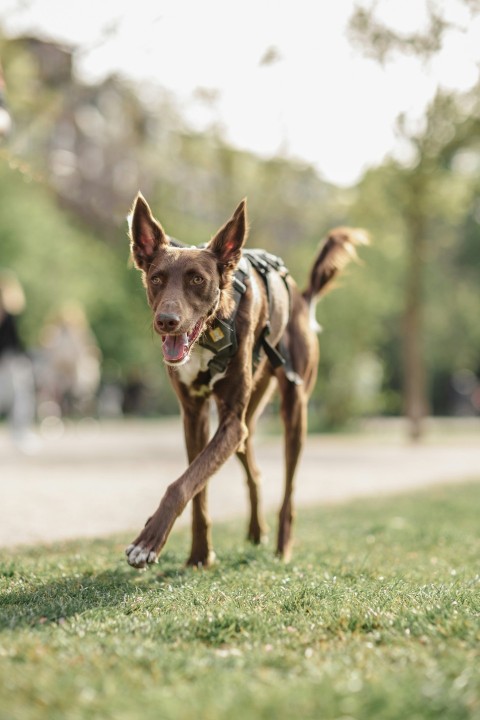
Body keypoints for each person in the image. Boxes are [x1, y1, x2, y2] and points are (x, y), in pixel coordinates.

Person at [0, 270, 39, 453]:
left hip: (11, 361)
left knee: (21, 396)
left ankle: (20, 433)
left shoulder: (10, 314)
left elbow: (14, 341)